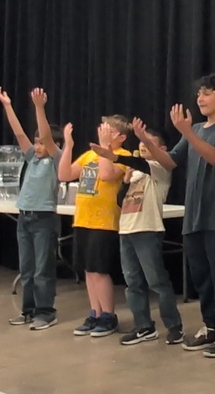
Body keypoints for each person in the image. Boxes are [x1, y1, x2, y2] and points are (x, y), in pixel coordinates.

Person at [156, 73, 215, 358]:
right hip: (194, 216)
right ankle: (211, 326)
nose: (200, 99)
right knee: (202, 277)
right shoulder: (194, 128)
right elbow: (170, 161)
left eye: (207, 93)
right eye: (199, 94)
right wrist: (146, 140)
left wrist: (188, 133)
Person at [91, 118, 183, 346]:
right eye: (141, 141)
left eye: (149, 142)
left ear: (161, 149)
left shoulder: (159, 168)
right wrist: (125, 178)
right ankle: (143, 326)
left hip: (147, 229)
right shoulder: (134, 172)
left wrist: (114, 156)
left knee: (157, 281)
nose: (143, 145)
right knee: (133, 282)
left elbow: (143, 163)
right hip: (127, 230)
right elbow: (121, 200)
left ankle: (174, 326)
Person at [0, 87, 63, 330]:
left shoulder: (57, 160)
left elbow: (45, 135)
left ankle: (46, 312)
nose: (37, 145)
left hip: (44, 219)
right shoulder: (32, 158)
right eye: (35, 142)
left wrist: (38, 107)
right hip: (24, 218)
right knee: (27, 268)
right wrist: (7, 105)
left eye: (41, 142)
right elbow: (19, 132)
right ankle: (29, 310)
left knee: (42, 269)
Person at [58, 116, 132, 337]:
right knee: (88, 270)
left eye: (109, 130)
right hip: (83, 218)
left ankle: (109, 315)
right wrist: (69, 146)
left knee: (99, 270)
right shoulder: (89, 155)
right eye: (102, 129)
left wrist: (106, 149)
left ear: (121, 137)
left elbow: (108, 175)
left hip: (104, 221)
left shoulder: (124, 156)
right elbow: (64, 174)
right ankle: (96, 313)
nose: (103, 132)